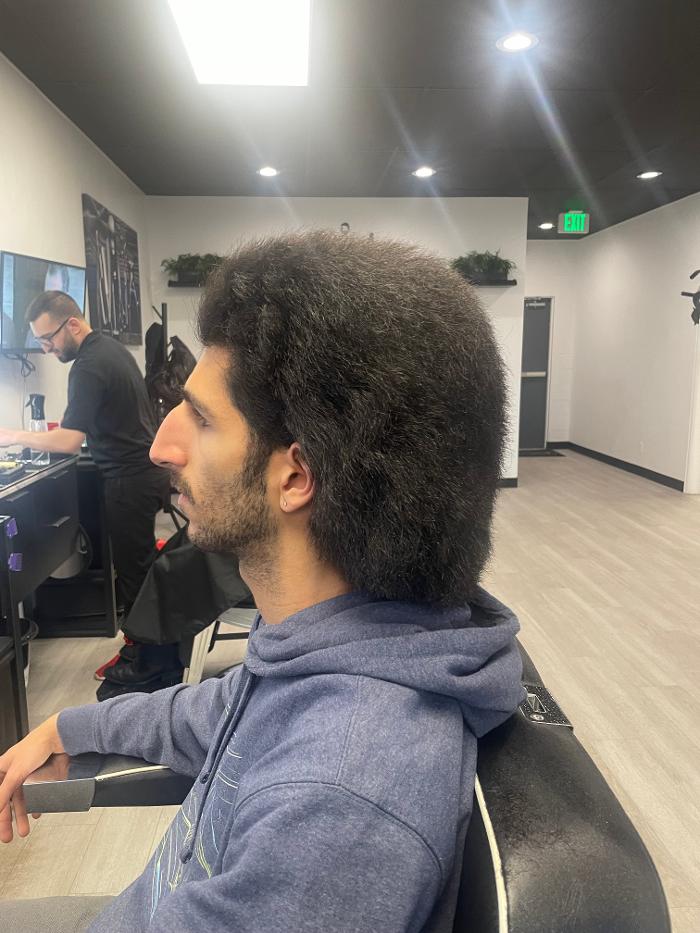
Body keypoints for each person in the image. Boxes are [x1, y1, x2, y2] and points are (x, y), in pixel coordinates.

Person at [0, 232, 525, 932]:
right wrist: (68, 726)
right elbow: (222, 711)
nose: (161, 446)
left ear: (296, 476)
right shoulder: (334, 643)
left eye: (202, 418)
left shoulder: (334, 802)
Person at [0, 291, 173, 685]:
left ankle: (151, 665)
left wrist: (12, 435)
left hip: (129, 481)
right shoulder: (109, 348)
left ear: (73, 324)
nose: (46, 349)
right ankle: (146, 649)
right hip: (143, 474)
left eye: (48, 339)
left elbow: (68, 441)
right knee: (138, 569)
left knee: (135, 577)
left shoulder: (89, 365)